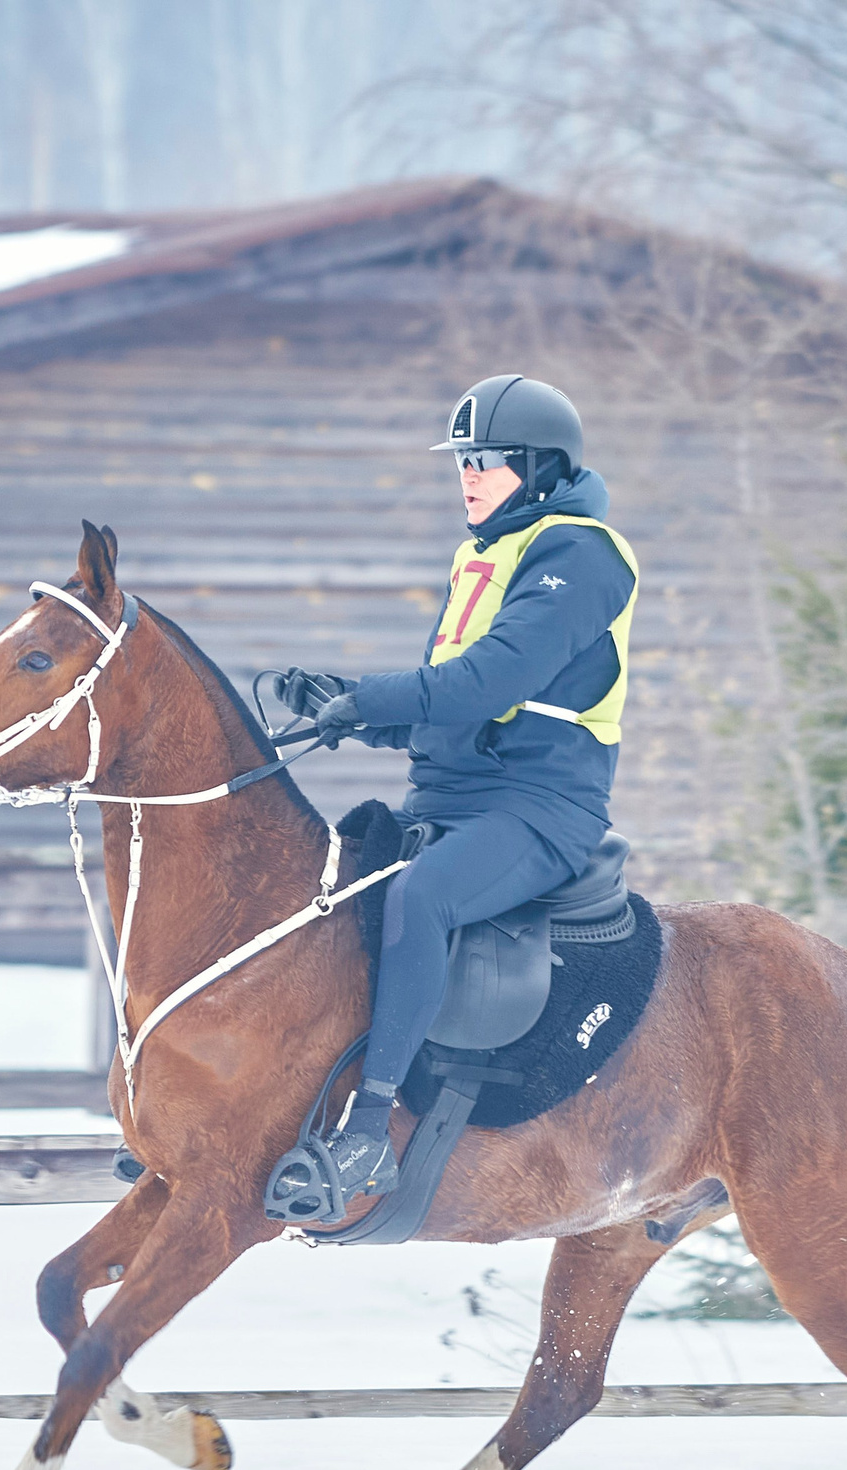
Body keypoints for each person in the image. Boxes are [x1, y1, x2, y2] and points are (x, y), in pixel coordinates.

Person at [263, 374, 641, 1221]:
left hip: (539, 807)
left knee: (421, 895)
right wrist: (349, 707)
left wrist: (377, 697)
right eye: (463, 462)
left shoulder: (580, 554)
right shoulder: (483, 553)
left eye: (491, 462)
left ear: (542, 468)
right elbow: (444, 710)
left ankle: (368, 1131)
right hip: (454, 794)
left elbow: (487, 682)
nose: (469, 477)